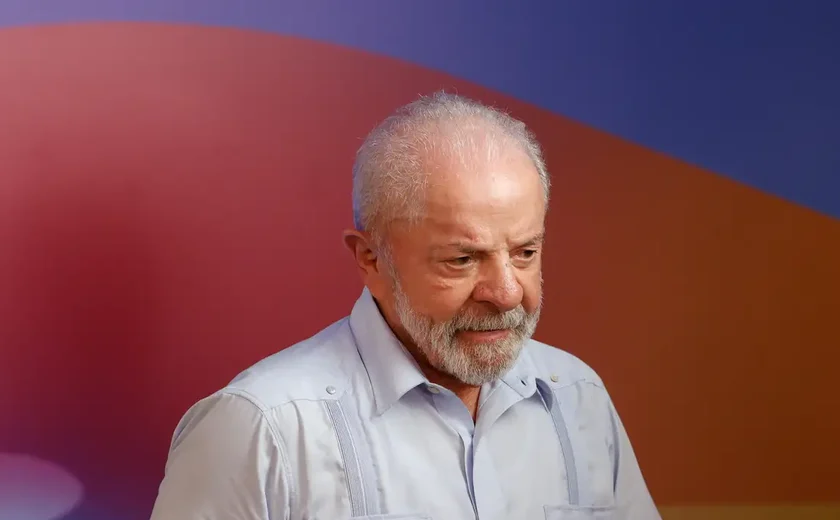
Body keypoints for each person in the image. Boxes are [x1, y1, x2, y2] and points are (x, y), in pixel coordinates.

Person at [149, 92, 660, 519]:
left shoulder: (579, 397)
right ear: (371, 259)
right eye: (462, 259)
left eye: (526, 252)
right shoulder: (262, 428)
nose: (507, 292)